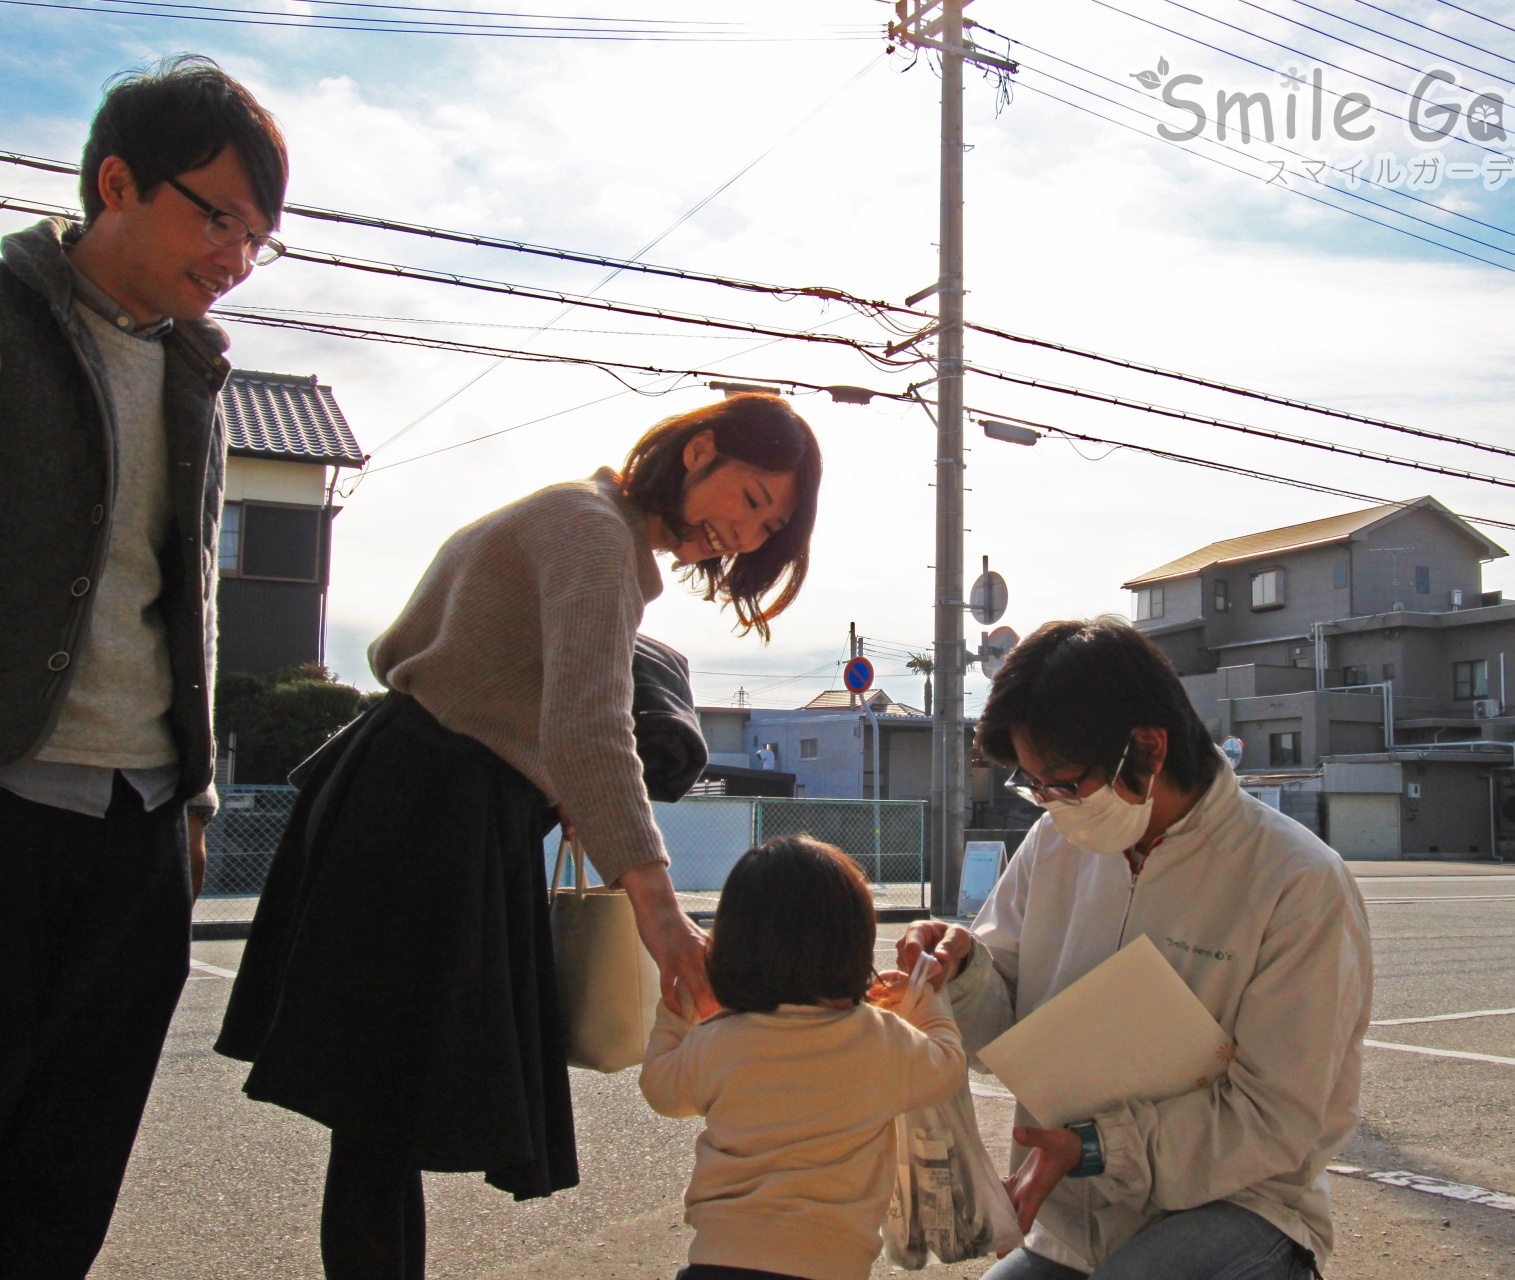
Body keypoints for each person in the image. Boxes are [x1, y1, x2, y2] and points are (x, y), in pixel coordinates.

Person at [214, 394, 823, 1280]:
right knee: (382, 1113)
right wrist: (662, 916)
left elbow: (543, 711)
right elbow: (591, 731)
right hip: (428, 812)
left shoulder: (579, 515)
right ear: (700, 453)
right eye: (755, 498)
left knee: (377, 1117)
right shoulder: (594, 535)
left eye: (771, 523)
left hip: (412, 795)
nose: (750, 533)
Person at [0, 57, 288, 1280]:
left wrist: (195, 804)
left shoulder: (195, 373)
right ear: (116, 179)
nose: (234, 255)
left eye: (258, 237)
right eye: (216, 216)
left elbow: (189, 604)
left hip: (141, 816)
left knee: (72, 1166)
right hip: (12, 792)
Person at [898, 618, 1373, 1280]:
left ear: (1148, 748)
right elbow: (1000, 1031)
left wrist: (1096, 1148)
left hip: (1239, 1208)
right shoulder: (1054, 844)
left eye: (1063, 782)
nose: (1050, 805)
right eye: (1034, 786)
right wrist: (962, 971)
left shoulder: (1295, 881)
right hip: (1072, 1228)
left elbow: (1277, 1120)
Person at [641, 836, 967, 1280]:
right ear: (855, 945)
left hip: (719, 1256)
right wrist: (921, 999)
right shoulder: (879, 1040)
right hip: (833, 1261)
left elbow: (662, 1090)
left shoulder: (719, 1041)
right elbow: (947, 1066)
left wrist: (678, 1010)